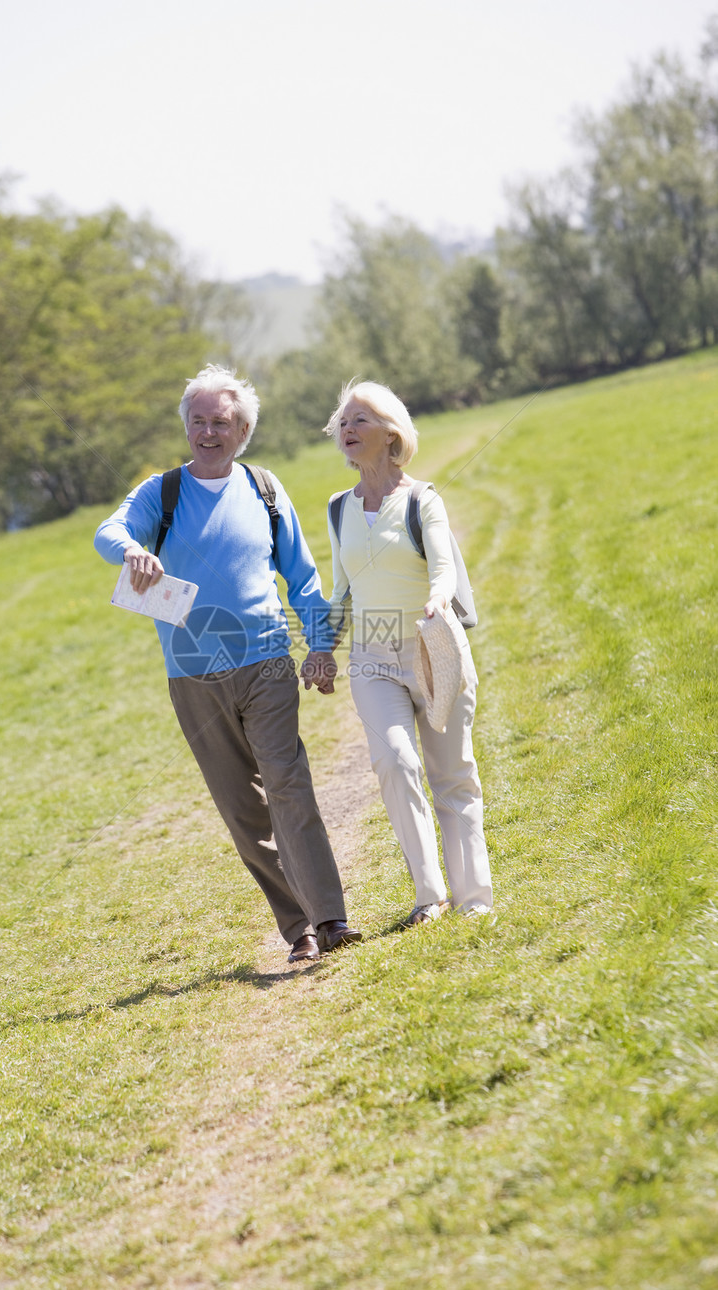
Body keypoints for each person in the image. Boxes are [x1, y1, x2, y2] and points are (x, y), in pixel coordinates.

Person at [94, 364, 362, 964]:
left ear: (242, 431)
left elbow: (302, 577)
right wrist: (135, 550)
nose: (208, 432)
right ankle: (299, 928)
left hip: (266, 663)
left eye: (221, 422)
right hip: (191, 677)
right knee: (244, 811)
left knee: (289, 788)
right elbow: (107, 533)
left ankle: (331, 916)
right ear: (186, 426)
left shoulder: (264, 490)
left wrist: (319, 646)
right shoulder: (159, 494)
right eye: (198, 421)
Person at [324, 379, 493, 924]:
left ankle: (474, 899)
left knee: (452, 776)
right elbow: (340, 589)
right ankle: (429, 896)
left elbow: (442, 564)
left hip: (432, 648)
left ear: (391, 434)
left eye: (361, 420)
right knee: (394, 763)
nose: (348, 429)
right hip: (372, 659)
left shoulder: (423, 500)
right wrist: (322, 648)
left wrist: (439, 595)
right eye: (343, 421)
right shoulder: (337, 509)